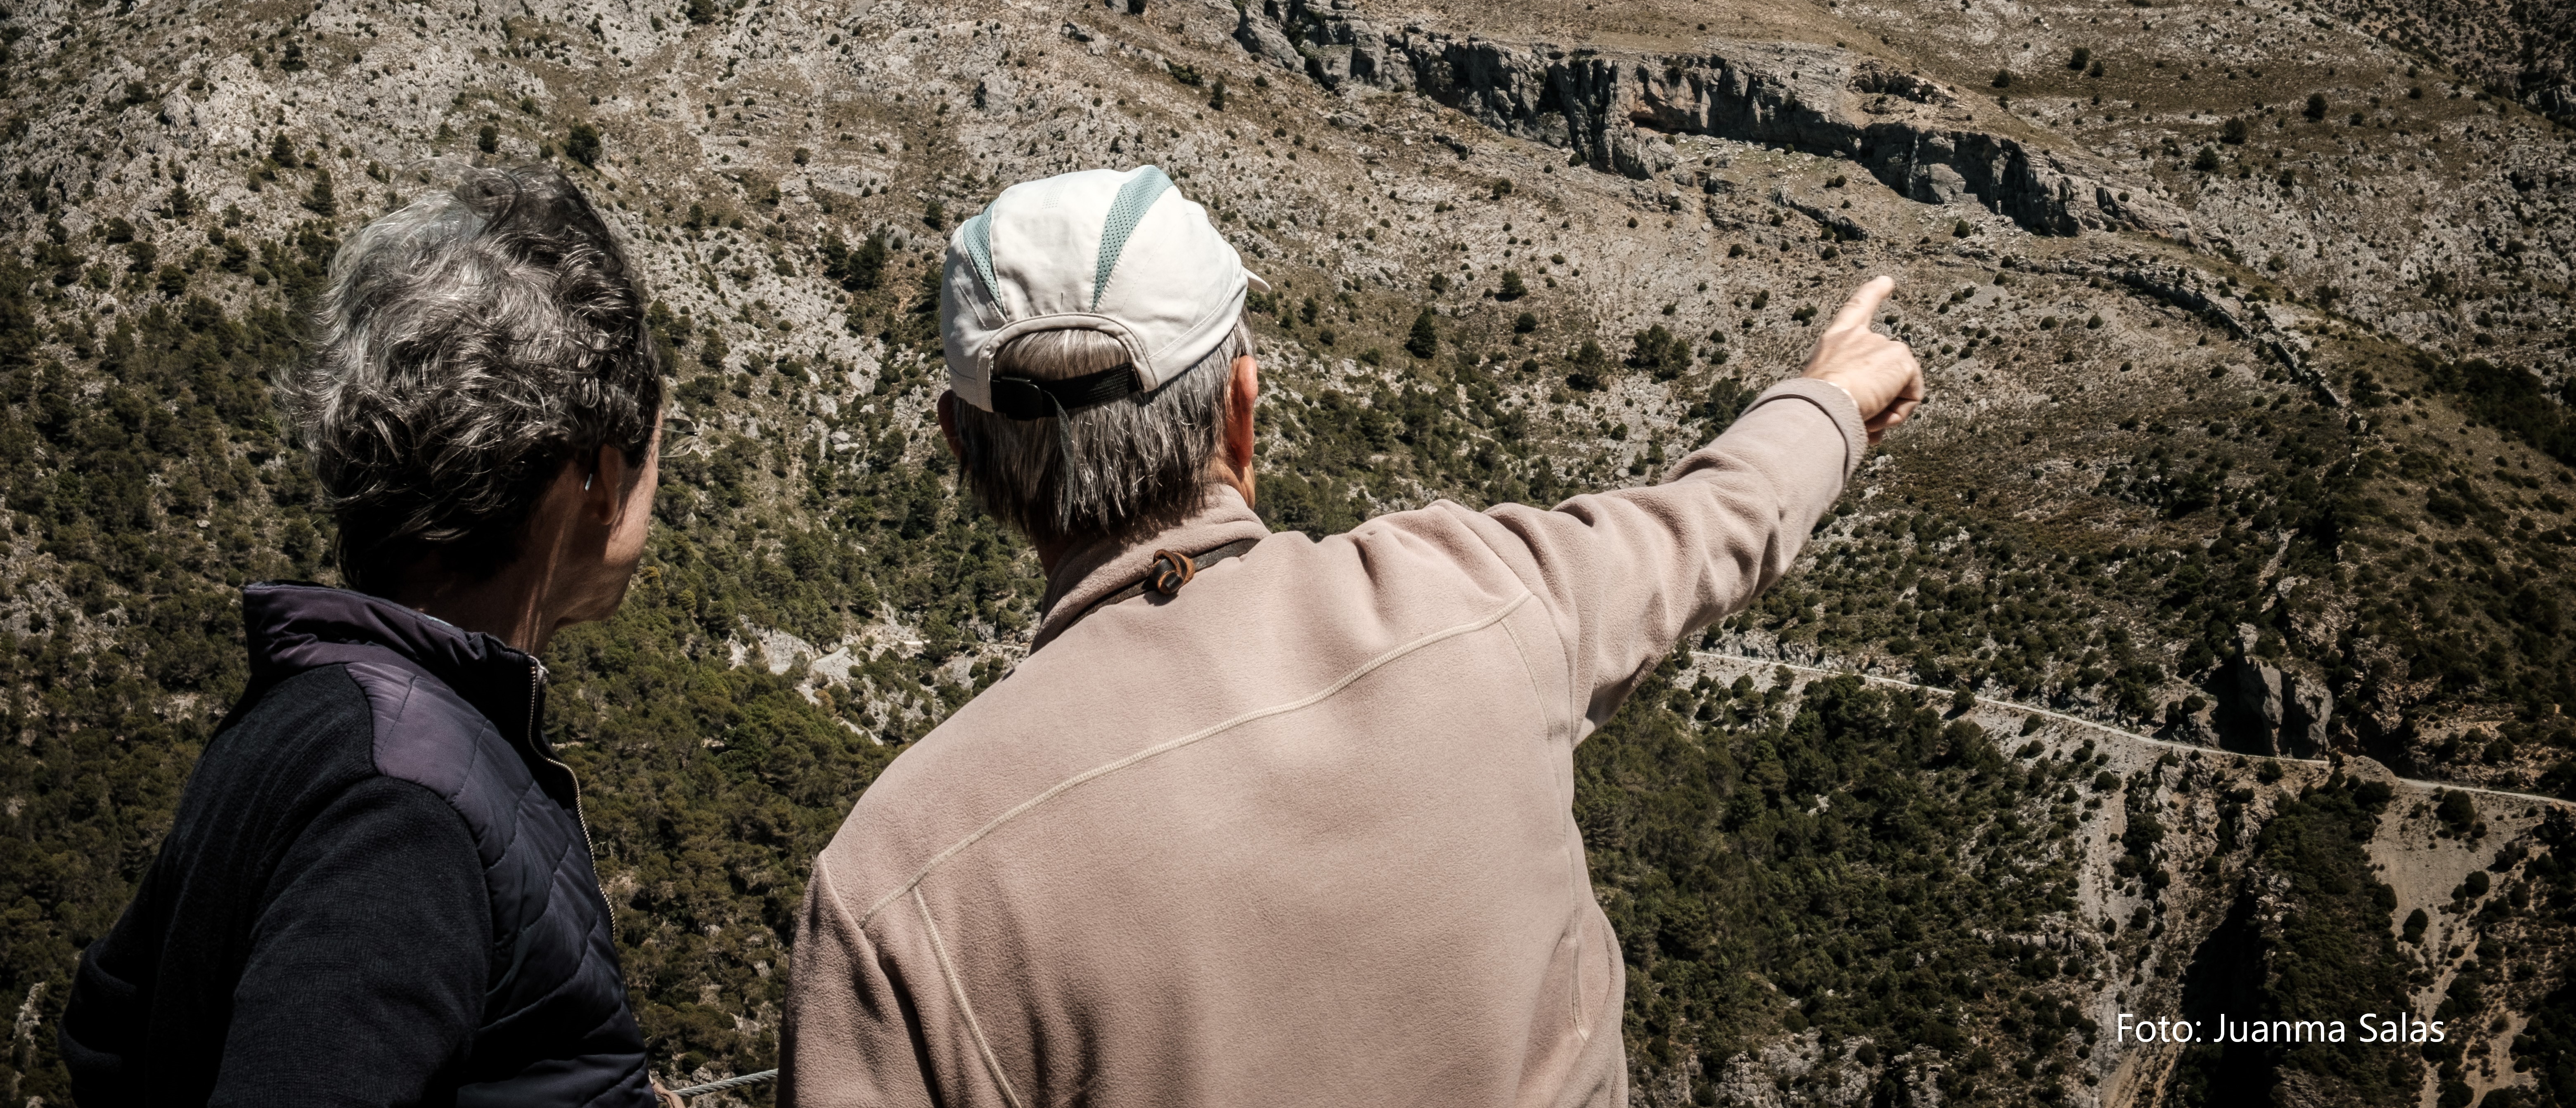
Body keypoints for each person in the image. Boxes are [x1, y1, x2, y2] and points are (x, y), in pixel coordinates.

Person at [782, 164, 1924, 1107]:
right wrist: (1830, 397)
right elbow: (1712, 524)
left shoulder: (895, 885)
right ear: (1243, 403)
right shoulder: (1481, 593)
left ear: (961, 451)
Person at [61, 166, 675, 1108]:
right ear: (593, 476)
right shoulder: (402, 814)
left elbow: (114, 1026)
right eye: (646, 457)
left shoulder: (307, 715)